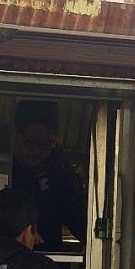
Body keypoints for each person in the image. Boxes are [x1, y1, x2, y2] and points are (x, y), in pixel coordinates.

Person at [10, 100, 88, 252]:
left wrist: (93, 241)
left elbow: (75, 209)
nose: (36, 152)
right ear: (15, 133)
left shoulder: (58, 166)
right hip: (0, 261)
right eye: (30, 142)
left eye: (45, 145)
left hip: (47, 259)